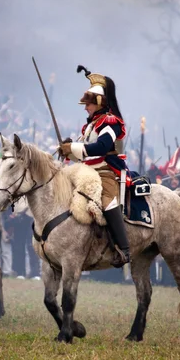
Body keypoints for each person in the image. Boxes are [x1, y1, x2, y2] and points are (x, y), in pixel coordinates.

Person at [58, 65, 130, 268]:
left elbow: (101, 147)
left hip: (106, 172)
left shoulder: (110, 122)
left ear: (100, 102)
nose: (85, 107)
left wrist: (73, 147)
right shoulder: (89, 126)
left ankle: (123, 249)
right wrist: (67, 151)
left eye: (89, 103)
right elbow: (85, 155)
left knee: (106, 202)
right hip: (87, 172)